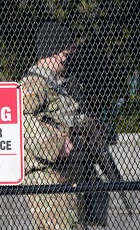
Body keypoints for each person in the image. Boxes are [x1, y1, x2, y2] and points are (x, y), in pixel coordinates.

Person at [20, 21, 101, 230]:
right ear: (53, 51)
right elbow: (20, 119)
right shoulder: (35, 83)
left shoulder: (58, 82)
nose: (68, 59)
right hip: (46, 176)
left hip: (65, 175)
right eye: (65, 55)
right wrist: (56, 143)